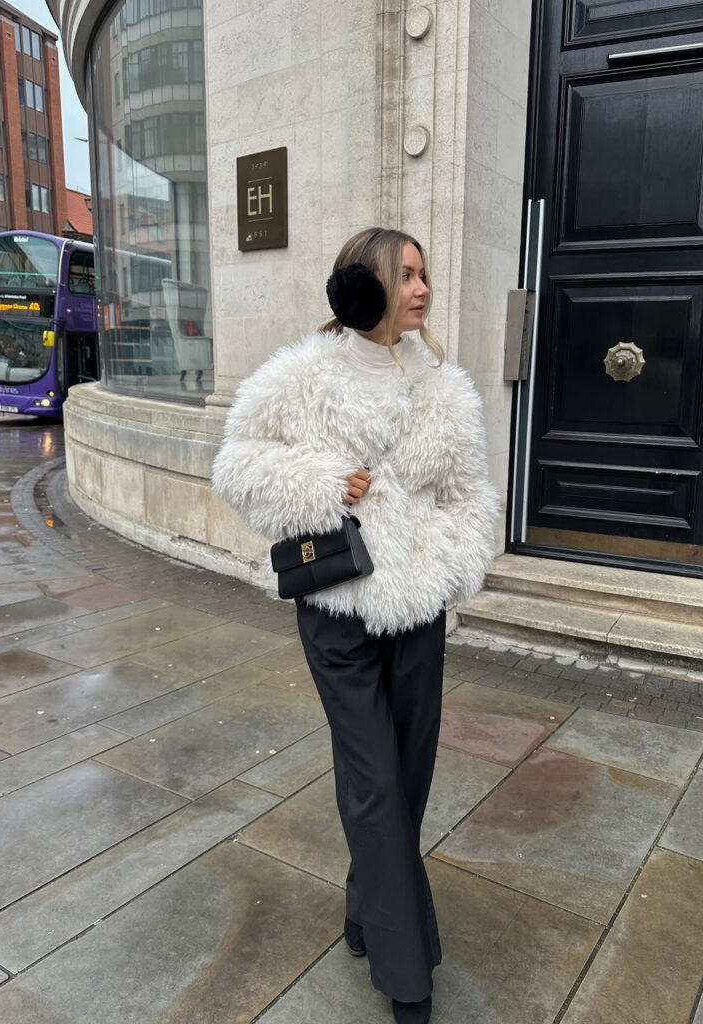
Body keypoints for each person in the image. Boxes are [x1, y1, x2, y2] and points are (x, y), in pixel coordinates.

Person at [212, 227, 500, 1024]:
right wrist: (324, 481)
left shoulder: (444, 386)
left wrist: (450, 565)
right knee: (373, 779)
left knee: (406, 779)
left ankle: (365, 911)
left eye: (424, 274)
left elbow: (469, 494)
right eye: (404, 275)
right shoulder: (303, 375)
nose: (422, 289)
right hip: (338, 606)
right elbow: (237, 464)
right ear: (363, 286)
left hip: (417, 610)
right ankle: (409, 975)